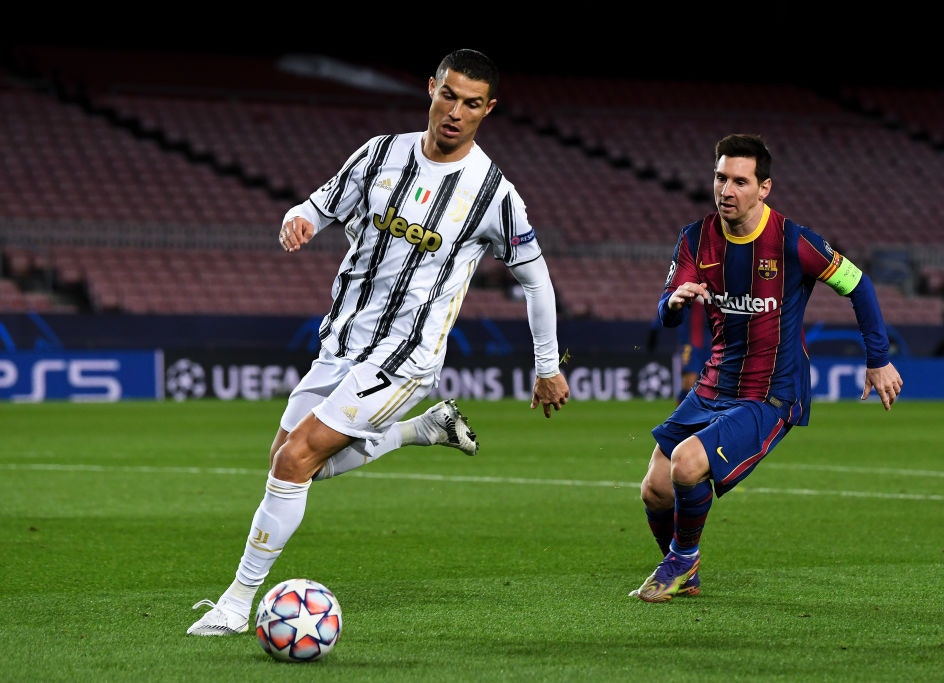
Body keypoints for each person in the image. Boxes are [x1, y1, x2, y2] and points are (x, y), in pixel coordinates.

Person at [187, 48, 571, 635]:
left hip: (406, 356)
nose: (456, 112)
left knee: (294, 460)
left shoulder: (494, 193)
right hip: (343, 341)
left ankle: (237, 605)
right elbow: (317, 206)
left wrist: (547, 366)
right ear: (431, 88)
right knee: (289, 461)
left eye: (471, 104)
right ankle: (421, 430)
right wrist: (299, 220)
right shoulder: (380, 153)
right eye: (449, 95)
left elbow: (536, 281)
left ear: (488, 109)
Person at [632, 133, 903, 603]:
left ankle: (682, 558)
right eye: (720, 178)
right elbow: (667, 308)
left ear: (764, 188)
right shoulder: (695, 238)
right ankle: (683, 569)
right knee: (655, 488)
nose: (726, 190)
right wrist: (673, 304)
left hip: (772, 391)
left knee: (687, 463)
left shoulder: (794, 241)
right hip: (715, 383)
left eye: (740, 181)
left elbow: (859, 285)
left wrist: (877, 359)